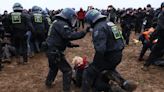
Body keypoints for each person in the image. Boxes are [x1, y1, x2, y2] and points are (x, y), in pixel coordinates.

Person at [81, 9, 137, 92]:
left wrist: (95, 64)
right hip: (118, 54)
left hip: (109, 56)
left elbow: (100, 50)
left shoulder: (99, 28)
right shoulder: (110, 24)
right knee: (109, 69)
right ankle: (124, 83)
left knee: (88, 72)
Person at [44, 8, 89, 92]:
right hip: (54, 51)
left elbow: (58, 37)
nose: (73, 20)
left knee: (54, 68)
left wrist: (70, 44)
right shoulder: (61, 23)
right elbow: (68, 35)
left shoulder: (56, 22)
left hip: (50, 50)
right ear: (68, 16)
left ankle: (48, 83)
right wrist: (83, 32)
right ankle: (66, 90)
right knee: (67, 70)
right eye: (72, 17)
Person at [142, 2, 164, 71]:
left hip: (161, 37)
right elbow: (159, 28)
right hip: (162, 37)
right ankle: (146, 65)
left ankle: (146, 65)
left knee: (155, 51)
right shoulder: (161, 15)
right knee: (155, 51)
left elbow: (159, 28)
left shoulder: (161, 16)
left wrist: (151, 38)